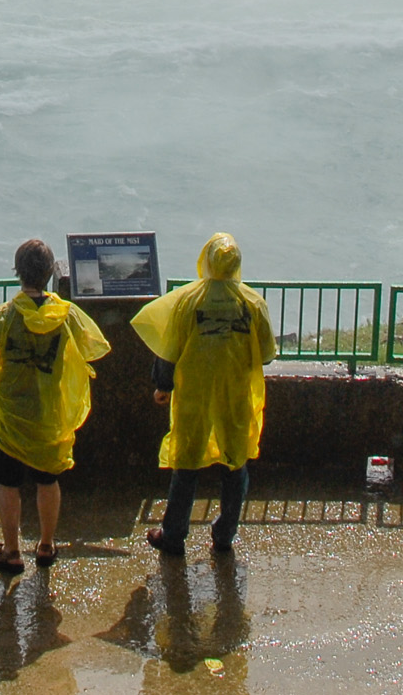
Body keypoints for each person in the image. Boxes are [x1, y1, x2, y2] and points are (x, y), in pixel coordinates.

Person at [0, 238, 111, 576]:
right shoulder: (67, 316)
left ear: (18, 272)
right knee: (47, 481)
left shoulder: (5, 316)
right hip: (50, 415)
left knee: (8, 483)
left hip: (10, 416)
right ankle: (46, 545)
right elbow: (93, 348)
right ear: (51, 273)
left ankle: (11, 551)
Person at [131, 233, 275, 559]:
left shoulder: (188, 300)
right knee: (235, 463)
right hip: (237, 395)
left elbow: (169, 349)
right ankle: (225, 535)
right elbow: (266, 354)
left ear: (206, 261)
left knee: (187, 463)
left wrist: (163, 386)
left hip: (194, 395)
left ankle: (174, 534)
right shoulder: (252, 303)